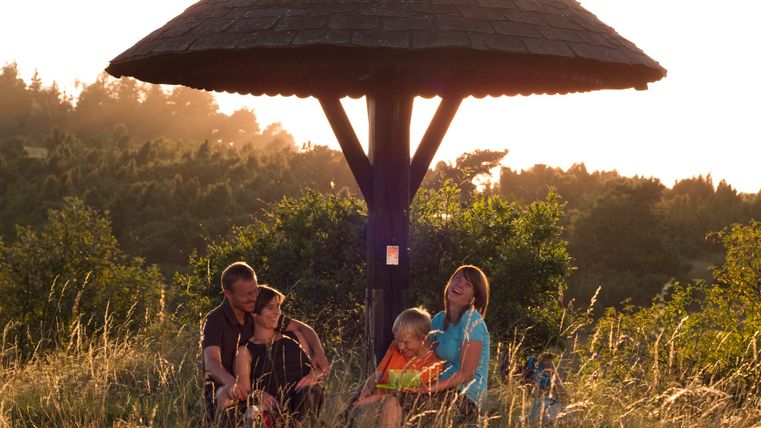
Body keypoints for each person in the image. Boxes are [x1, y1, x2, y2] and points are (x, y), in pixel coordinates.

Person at [200, 261, 329, 426]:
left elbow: (303, 328)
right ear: (228, 294)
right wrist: (231, 382)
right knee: (224, 396)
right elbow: (211, 361)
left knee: (305, 395)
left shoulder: (256, 310)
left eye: (255, 291)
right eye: (246, 294)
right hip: (230, 385)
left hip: (260, 387)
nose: (253, 297)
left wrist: (319, 353)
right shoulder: (215, 320)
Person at [381, 265, 491, 426]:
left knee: (399, 401)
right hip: (437, 383)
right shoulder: (439, 319)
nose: (459, 284)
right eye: (458, 278)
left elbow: (467, 374)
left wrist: (429, 389)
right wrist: (387, 374)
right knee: (385, 383)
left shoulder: (472, 323)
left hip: (464, 395)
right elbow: (420, 355)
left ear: (474, 297)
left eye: (468, 284)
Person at [220, 285, 325, 424]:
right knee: (254, 413)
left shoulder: (295, 336)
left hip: (307, 398)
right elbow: (244, 393)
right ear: (254, 313)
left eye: (278, 306)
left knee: (312, 391)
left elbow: (321, 369)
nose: (277, 312)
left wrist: (315, 374)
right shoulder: (245, 351)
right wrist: (258, 394)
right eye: (271, 308)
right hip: (276, 407)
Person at [352, 307, 444, 409]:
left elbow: (399, 390)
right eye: (397, 340)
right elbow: (377, 375)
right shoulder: (395, 346)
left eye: (406, 342)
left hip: (392, 405)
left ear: (423, 338)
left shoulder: (434, 364)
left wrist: (373, 398)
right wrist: (363, 395)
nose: (400, 347)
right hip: (371, 396)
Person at [528, 352, 566, 424]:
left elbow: (556, 380)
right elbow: (556, 381)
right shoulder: (538, 367)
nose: (549, 363)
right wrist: (562, 392)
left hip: (543, 393)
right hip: (543, 393)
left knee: (539, 411)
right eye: (548, 361)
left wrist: (562, 391)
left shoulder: (538, 367)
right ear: (544, 359)